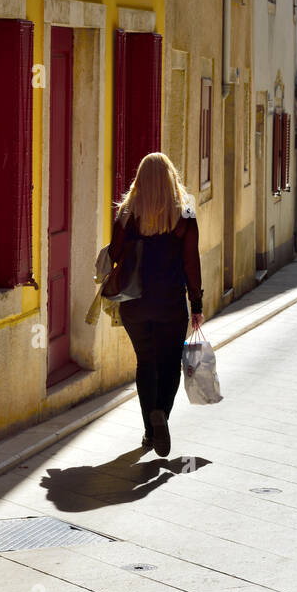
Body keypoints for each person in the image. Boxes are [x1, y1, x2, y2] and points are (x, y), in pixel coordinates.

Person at [108, 152, 203, 457]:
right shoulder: (184, 216)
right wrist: (196, 303)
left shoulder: (127, 213)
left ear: (140, 180)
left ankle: (150, 431)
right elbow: (191, 263)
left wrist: (123, 226)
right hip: (170, 303)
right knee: (169, 365)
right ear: (170, 179)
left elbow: (113, 256)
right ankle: (161, 414)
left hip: (135, 303)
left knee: (146, 363)